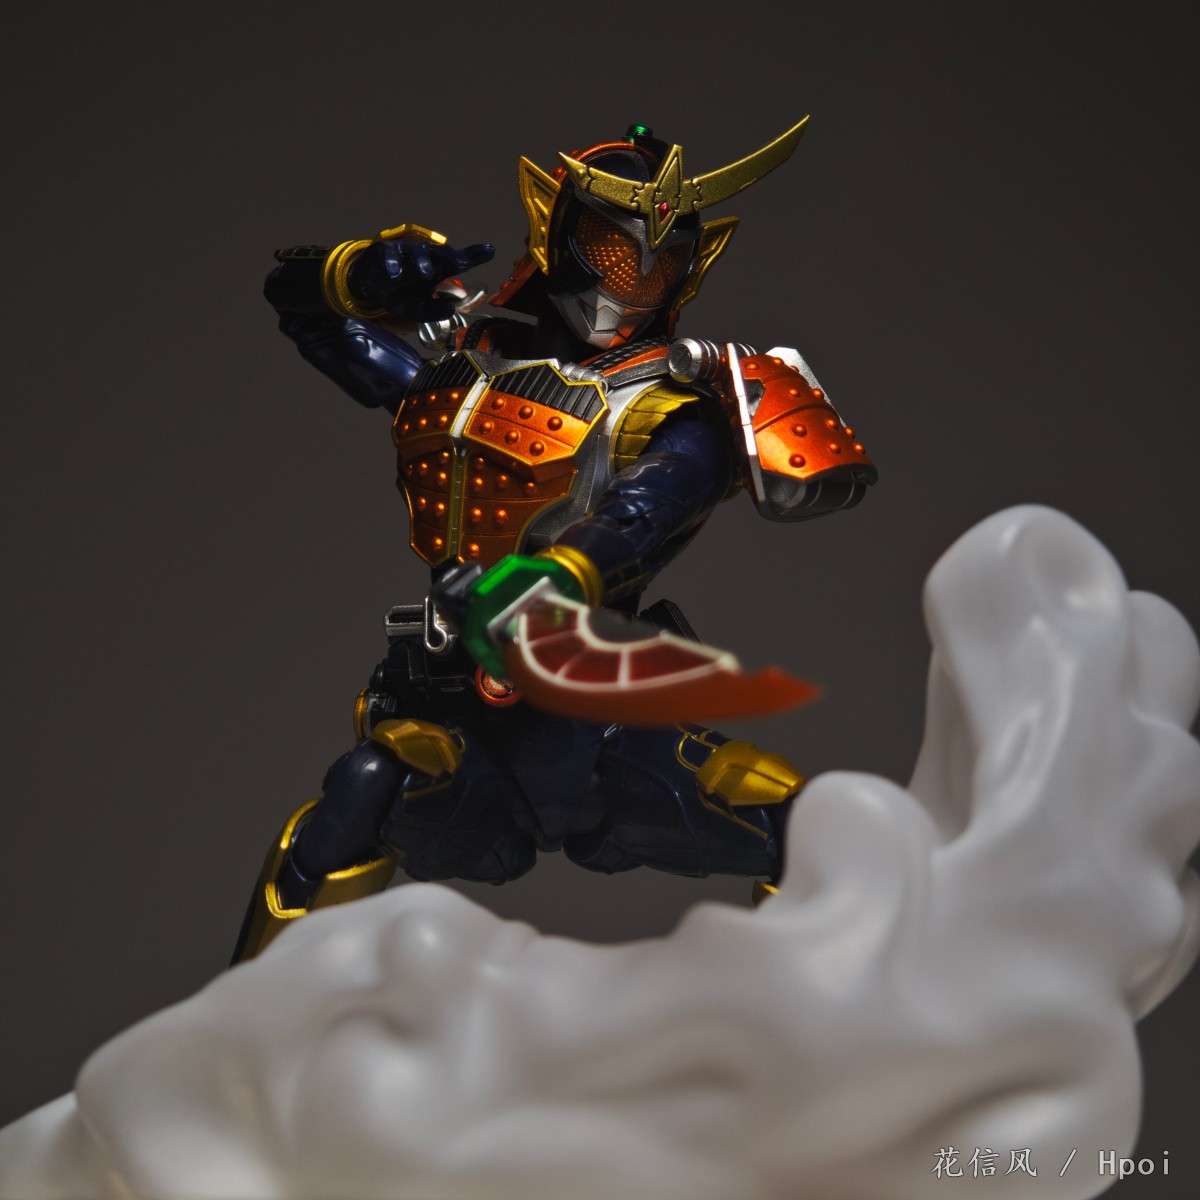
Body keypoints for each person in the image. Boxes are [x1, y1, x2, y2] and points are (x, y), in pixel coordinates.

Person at [233, 120, 876, 963]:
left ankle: (810, 1026)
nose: (633, 281)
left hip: (609, 726)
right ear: (560, 230)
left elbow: (649, 509)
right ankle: (240, 1033)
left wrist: (554, 578)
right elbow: (306, 314)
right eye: (612, 251)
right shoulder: (457, 377)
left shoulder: (672, 404)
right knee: (353, 804)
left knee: (810, 835)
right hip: (462, 719)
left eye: (659, 263)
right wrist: (361, 271)